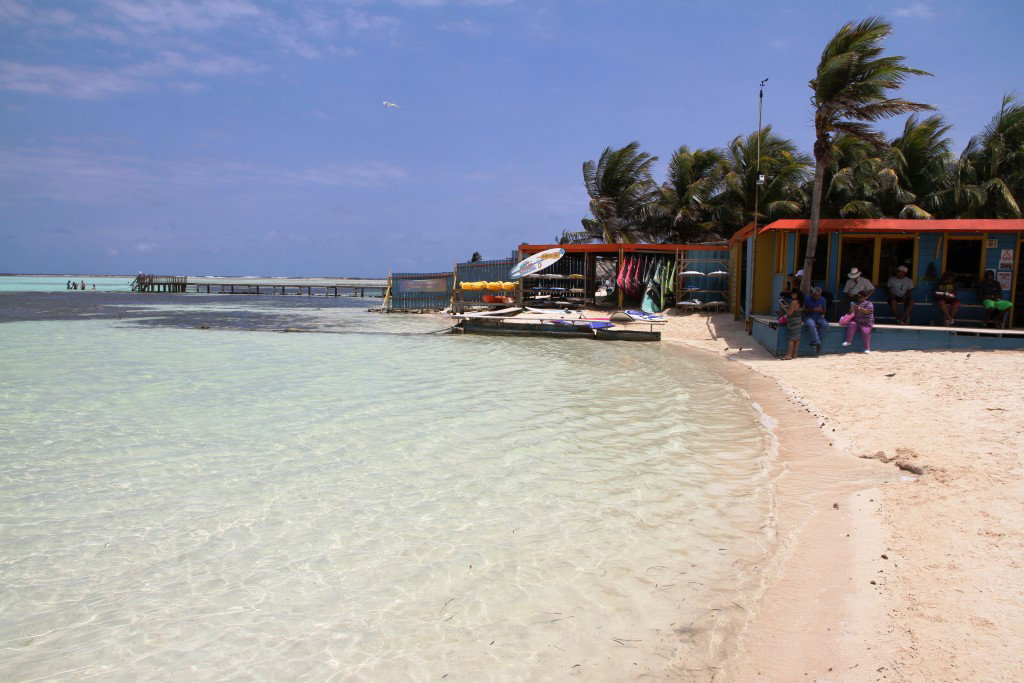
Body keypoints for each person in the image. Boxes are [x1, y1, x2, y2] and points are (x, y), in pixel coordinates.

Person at [778, 289, 803, 360]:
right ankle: (795, 354)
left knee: (791, 338)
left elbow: (789, 313)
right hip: (798, 321)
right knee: (797, 338)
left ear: (796, 294)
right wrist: (787, 306)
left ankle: (789, 355)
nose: (791, 295)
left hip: (792, 322)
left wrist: (783, 307)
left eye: (793, 294)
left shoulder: (794, 302)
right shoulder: (801, 302)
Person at [802, 286, 828, 352]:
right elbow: (803, 310)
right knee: (811, 325)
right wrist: (814, 309)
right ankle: (818, 342)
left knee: (825, 325)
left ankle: (816, 341)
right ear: (812, 294)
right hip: (808, 316)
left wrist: (821, 310)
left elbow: (824, 312)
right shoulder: (807, 298)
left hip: (819, 317)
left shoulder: (823, 299)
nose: (816, 297)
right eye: (815, 295)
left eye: (818, 296)